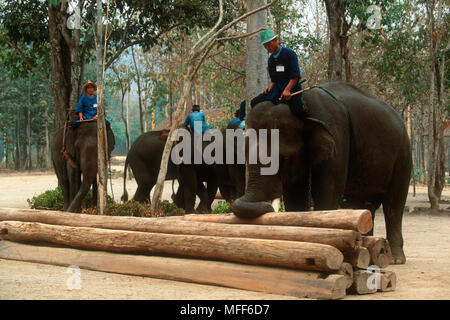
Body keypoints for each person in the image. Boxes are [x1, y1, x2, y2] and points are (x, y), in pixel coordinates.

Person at [250, 29, 308, 119]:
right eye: (265, 45)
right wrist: (269, 89)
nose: (267, 47)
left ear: (275, 41)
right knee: (254, 102)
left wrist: (287, 90)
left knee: (298, 110)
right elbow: (274, 80)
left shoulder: (289, 54)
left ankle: (308, 127)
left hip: (292, 88)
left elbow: (295, 77)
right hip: (277, 89)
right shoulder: (271, 60)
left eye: (269, 44)